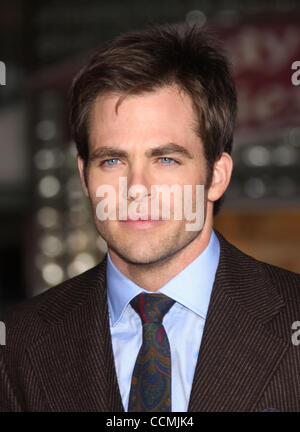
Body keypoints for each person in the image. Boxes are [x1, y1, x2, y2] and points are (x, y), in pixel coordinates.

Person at [0, 24, 299, 413]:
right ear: (84, 178)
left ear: (216, 176)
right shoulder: (18, 347)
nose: (136, 188)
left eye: (166, 159)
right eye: (112, 160)